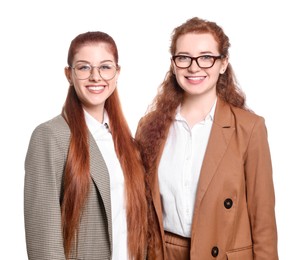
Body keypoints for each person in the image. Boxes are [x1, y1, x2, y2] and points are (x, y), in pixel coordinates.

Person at [135, 17, 278, 259]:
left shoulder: (249, 128)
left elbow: (263, 223)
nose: (194, 67)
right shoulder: (149, 126)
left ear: (223, 64)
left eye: (206, 57)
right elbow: (140, 209)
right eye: (184, 57)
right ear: (173, 64)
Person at [24, 31, 148, 260]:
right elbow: (44, 240)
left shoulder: (128, 145)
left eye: (105, 67)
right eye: (83, 67)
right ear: (68, 74)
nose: (95, 76)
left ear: (117, 73)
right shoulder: (50, 137)